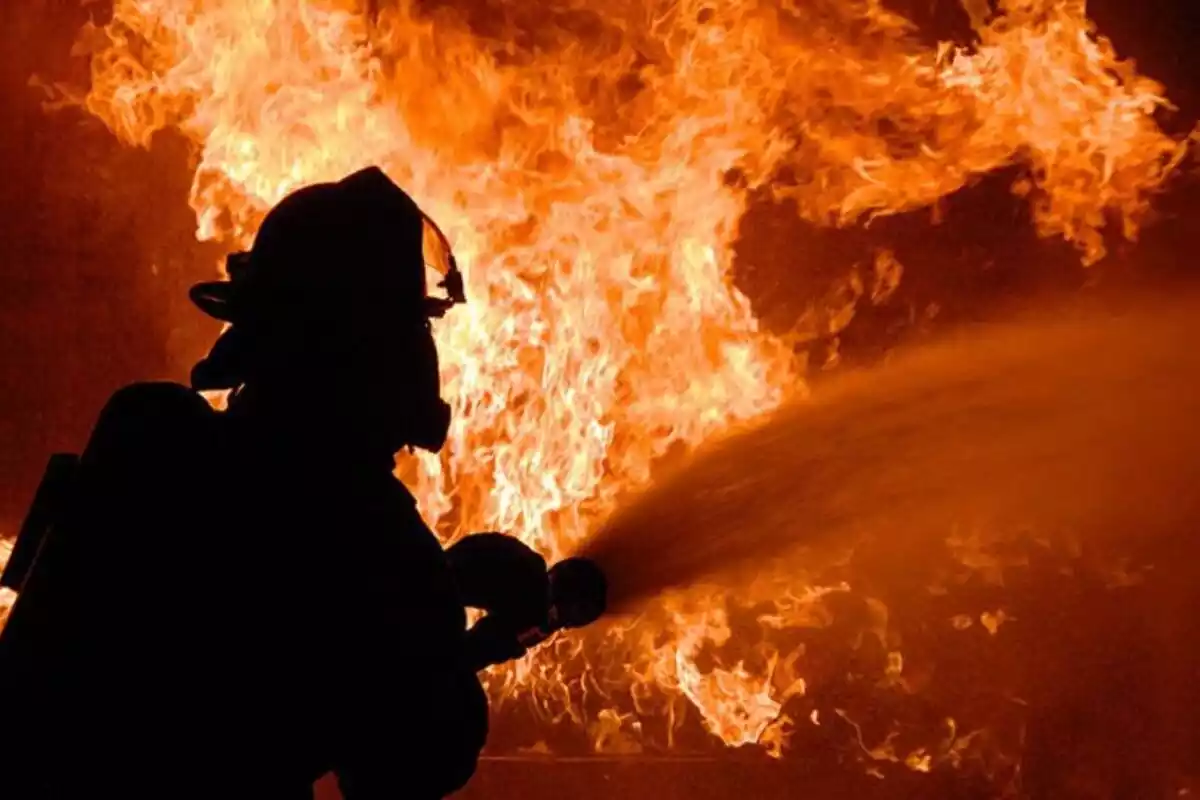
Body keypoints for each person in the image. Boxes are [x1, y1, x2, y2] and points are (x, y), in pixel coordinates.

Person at [0, 167, 486, 799]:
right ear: (371, 350)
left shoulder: (148, 437)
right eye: (414, 327)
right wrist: (444, 630)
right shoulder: (375, 539)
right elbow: (408, 763)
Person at [447, 532, 608, 671]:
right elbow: (462, 660)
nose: (560, 628)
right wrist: (516, 640)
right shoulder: (533, 602)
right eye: (563, 621)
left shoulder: (526, 563)